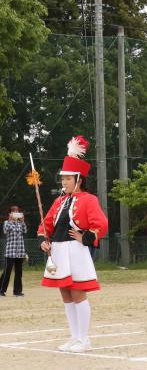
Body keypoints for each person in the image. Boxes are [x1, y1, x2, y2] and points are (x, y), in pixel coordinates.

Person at [38, 136, 108, 353]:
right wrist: (43, 240)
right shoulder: (59, 201)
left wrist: (85, 237)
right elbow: (46, 223)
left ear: (78, 179)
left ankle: (84, 339)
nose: (63, 182)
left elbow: (101, 224)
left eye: (67, 179)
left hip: (76, 251)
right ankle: (74, 337)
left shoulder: (89, 199)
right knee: (65, 294)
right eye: (62, 179)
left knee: (78, 293)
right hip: (58, 251)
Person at [1, 206, 27, 297]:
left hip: (20, 251)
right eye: (13, 211)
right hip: (10, 251)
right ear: (10, 213)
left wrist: (23, 220)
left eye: (17, 211)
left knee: (18, 272)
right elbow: (5, 231)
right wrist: (10, 220)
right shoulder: (6, 223)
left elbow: (25, 230)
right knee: (7, 271)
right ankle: (1, 290)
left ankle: (17, 291)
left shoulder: (20, 223)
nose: (15, 213)